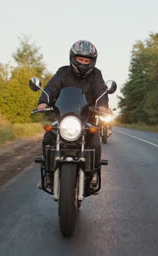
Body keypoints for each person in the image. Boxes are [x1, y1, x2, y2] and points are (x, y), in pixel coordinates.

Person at [37, 40, 109, 189]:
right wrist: (44, 101)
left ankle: (93, 173)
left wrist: (102, 106)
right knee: (48, 138)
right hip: (63, 118)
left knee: (95, 142)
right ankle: (49, 174)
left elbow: (101, 91)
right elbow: (52, 87)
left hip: (86, 118)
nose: (83, 63)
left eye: (86, 60)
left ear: (92, 61)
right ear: (73, 58)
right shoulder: (63, 72)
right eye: (80, 59)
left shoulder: (96, 75)